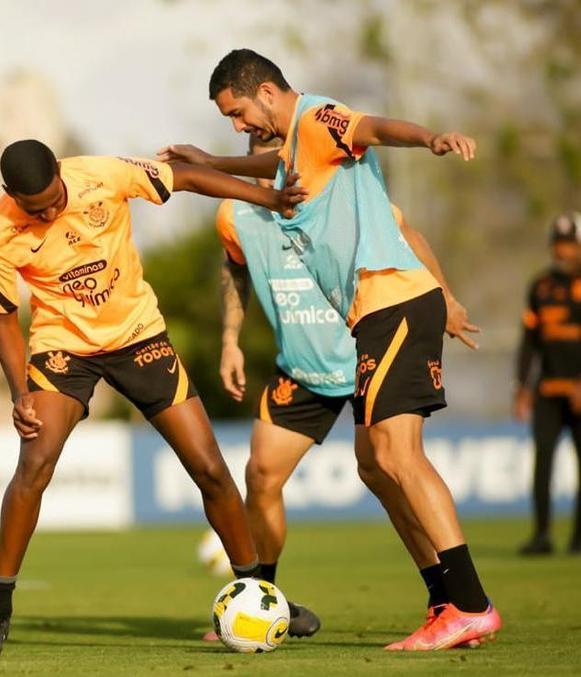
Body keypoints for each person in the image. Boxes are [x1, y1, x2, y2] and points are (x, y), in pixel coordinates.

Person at [159, 48, 500, 651]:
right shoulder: (291, 151)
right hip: (370, 316)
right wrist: (210, 160)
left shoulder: (317, 118)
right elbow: (270, 164)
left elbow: (371, 127)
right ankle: (446, 600)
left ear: (266, 91)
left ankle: (469, 604)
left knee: (399, 456)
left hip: (393, 300)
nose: (237, 127)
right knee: (375, 465)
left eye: (238, 113)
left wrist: (430, 139)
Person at [0, 139, 305, 658]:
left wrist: (269, 200)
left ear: (60, 172)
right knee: (34, 464)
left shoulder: (105, 174)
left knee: (210, 468)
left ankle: (259, 594)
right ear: (12, 195)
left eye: (55, 198)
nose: (52, 212)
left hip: (138, 337)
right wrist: (20, 394)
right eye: (37, 210)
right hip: (64, 349)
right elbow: (5, 320)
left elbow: (186, 176)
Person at [514, 211, 581, 555]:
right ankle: (542, 534)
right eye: (558, 244)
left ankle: (578, 538)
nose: (562, 252)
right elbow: (529, 341)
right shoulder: (540, 286)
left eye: (568, 244)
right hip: (548, 391)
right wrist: (522, 387)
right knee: (543, 464)